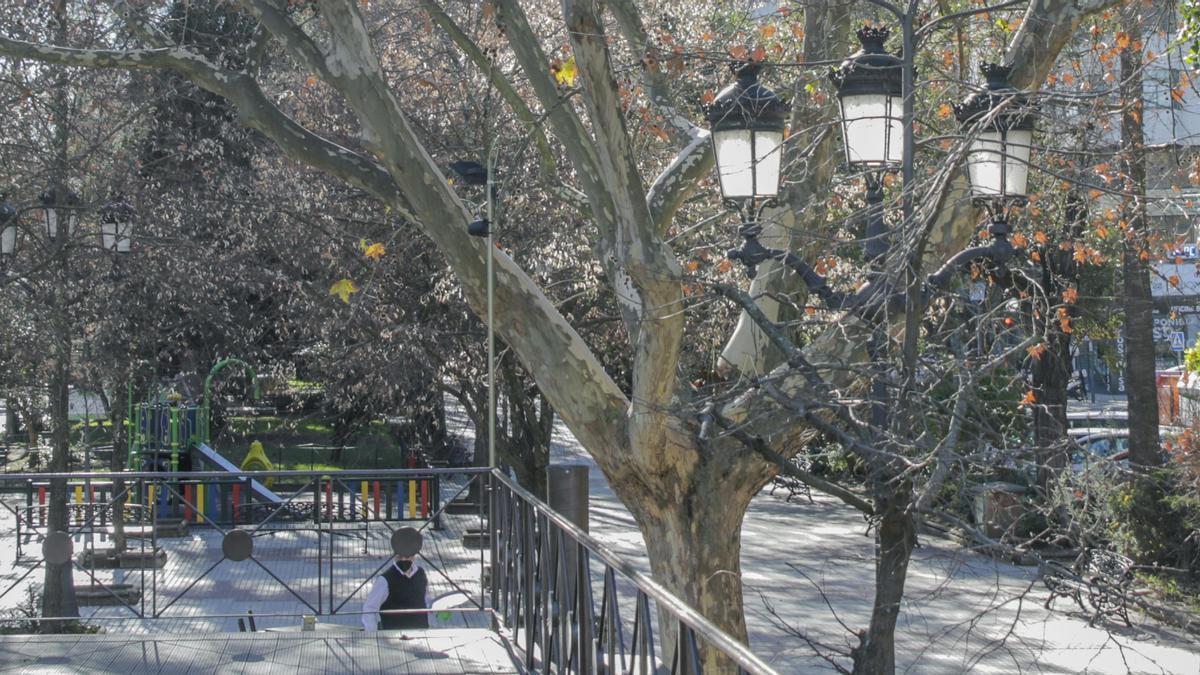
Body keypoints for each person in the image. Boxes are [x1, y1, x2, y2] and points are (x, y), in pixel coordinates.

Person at [362, 527, 430, 631]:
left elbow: (425, 601)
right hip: (394, 636)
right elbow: (370, 608)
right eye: (401, 557)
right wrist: (372, 634)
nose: (405, 560)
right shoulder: (385, 580)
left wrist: (439, 610)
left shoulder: (421, 574)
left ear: (414, 555)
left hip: (420, 634)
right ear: (395, 555)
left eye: (409, 557)